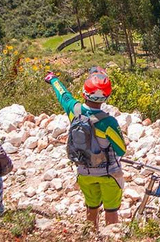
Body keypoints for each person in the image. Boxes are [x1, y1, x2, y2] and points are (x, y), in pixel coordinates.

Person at [44, 67, 127, 229]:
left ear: (84, 93)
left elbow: (64, 95)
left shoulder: (73, 111)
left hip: (84, 172)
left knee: (91, 208)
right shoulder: (108, 122)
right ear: (106, 97)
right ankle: (111, 237)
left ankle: (91, 235)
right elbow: (121, 150)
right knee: (111, 211)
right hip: (108, 175)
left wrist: (53, 79)